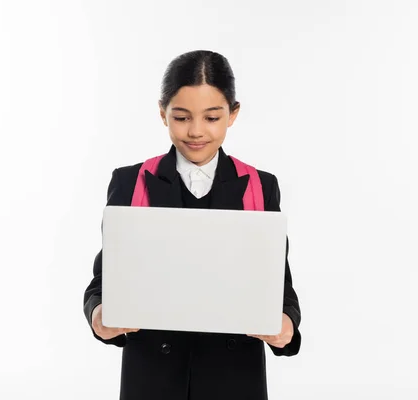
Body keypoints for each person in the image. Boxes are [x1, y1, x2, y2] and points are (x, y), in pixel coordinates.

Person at [82, 50, 302, 400]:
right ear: (162, 113)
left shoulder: (261, 185)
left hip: (234, 377)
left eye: (212, 117)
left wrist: (287, 322)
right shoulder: (131, 181)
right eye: (181, 117)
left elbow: (279, 284)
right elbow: (103, 281)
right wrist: (98, 315)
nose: (196, 131)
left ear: (233, 114)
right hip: (152, 376)